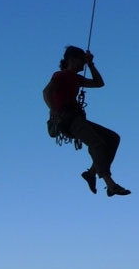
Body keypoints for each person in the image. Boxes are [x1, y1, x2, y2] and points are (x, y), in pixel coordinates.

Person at [42, 46, 130, 196]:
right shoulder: (61, 75)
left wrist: (91, 64)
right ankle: (110, 184)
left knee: (112, 138)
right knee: (97, 143)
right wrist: (54, 110)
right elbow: (46, 91)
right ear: (72, 60)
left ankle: (91, 174)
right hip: (67, 119)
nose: (83, 64)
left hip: (77, 118)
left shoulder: (76, 78)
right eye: (82, 60)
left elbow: (99, 83)